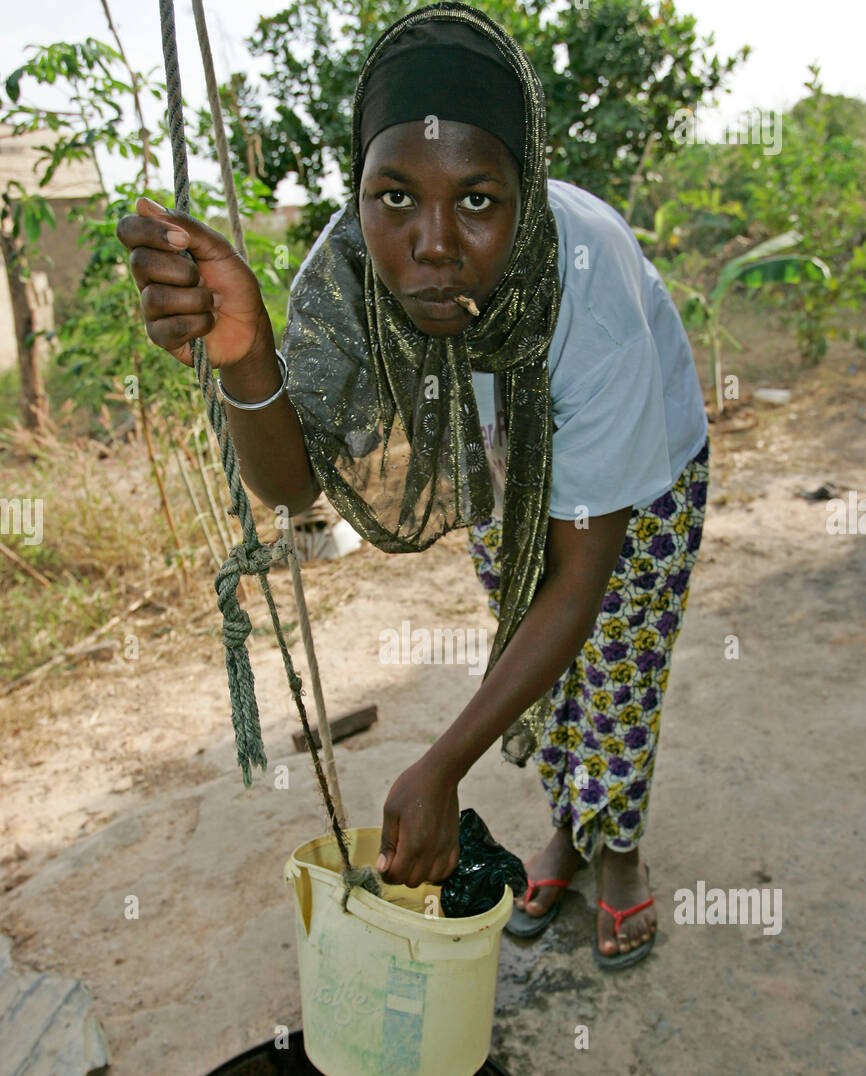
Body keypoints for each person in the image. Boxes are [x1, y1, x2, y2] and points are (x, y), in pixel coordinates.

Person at [116, 2, 709, 969]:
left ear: (529, 192)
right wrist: (244, 355)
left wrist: (442, 763)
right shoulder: (352, 270)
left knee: (615, 669)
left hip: (643, 467)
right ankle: (568, 829)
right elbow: (291, 483)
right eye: (396, 197)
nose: (432, 242)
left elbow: (581, 573)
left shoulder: (586, 294)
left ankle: (622, 855)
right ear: (361, 194)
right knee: (529, 661)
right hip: (505, 462)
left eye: (478, 198)